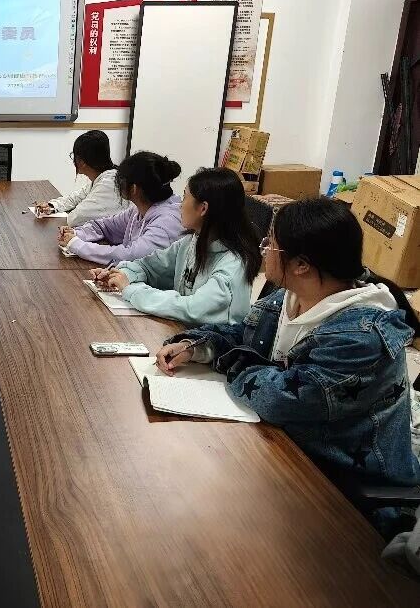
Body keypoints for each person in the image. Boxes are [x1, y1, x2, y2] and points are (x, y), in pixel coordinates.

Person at [156, 198, 420, 531]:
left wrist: (236, 362)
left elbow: (281, 398)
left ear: (301, 265)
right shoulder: (290, 297)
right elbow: (244, 334)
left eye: (271, 244)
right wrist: (196, 346)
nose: (264, 249)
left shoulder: (361, 337)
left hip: (351, 493)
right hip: (286, 456)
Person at [89, 167, 261, 325]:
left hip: (212, 346)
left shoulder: (233, 265)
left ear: (203, 208)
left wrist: (131, 290)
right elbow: (150, 267)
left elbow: (192, 309)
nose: (180, 205)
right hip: (183, 335)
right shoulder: (191, 242)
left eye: (185, 197)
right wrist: (120, 275)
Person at [58, 151, 183, 265]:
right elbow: (105, 226)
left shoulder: (167, 221)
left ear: (134, 189)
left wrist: (77, 245)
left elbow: (131, 255)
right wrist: (76, 233)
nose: (118, 185)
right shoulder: (138, 210)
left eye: (121, 180)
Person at [34, 130, 124, 226]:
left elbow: (76, 218)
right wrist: (51, 206)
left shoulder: (109, 183)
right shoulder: (104, 177)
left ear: (81, 162)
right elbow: (76, 198)